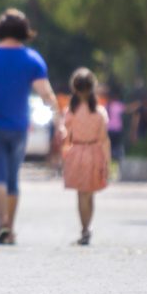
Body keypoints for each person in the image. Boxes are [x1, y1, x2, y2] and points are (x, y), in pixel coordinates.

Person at [0, 8, 64, 246]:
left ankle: (2, 223)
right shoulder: (32, 59)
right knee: (12, 178)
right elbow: (47, 94)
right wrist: (58, 121)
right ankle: (10, 228)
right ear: (23, 31)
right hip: (19, 126)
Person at [62, 68, 111, 246]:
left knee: (81, 194)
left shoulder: (70, 111)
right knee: (90, 194)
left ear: (74, 88)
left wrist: (63, 156)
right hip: (94, 152)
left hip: (77, 152)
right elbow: (104, 139)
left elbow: (65, 136)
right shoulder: (99, 112)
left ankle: (84, 229)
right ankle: (87, 227)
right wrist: (107, 161)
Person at [101, 85, 126, 163]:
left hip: (108, 129)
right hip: (117, 130)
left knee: (109, 147)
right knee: (118, 146)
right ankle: (118, 161)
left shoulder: (105, 106)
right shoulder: (118, 105)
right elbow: (127, 109)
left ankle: (108, 160)